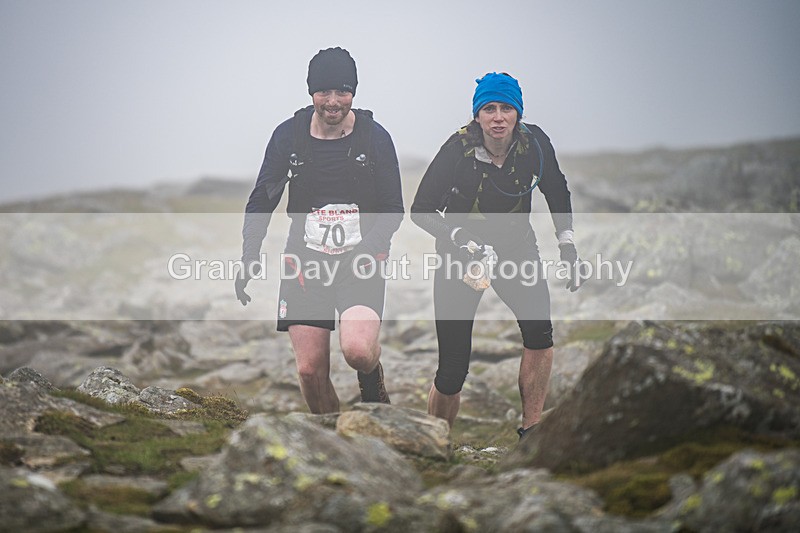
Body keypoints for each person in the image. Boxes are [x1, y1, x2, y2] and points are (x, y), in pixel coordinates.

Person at [411, 72, 583, 439]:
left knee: (540, 335)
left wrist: (567, 244)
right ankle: (436, 442)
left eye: (507, 108)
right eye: (489, 108)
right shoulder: (456, 150)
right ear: (477, 115)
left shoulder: (535, 145)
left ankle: (531, 432)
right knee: (453, 369)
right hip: (462, 255)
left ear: (518, 113)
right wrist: (457, 234)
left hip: (517, 250)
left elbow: (557, 190)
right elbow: (421, 209)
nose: (498, 117)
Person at [235, 47, 404, 413]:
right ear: (311, 92)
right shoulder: (289, 137)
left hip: (361, 260)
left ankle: (372, 378)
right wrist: (250, 256)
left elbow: (393, 211)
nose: (332, 101)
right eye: (323, 91)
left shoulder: (375, 138)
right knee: (310, 370)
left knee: (358, 351)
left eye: (342, 91)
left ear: (354, 93)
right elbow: (262, 200)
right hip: (305, 261)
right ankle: (334, 444)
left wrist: (368, 249)